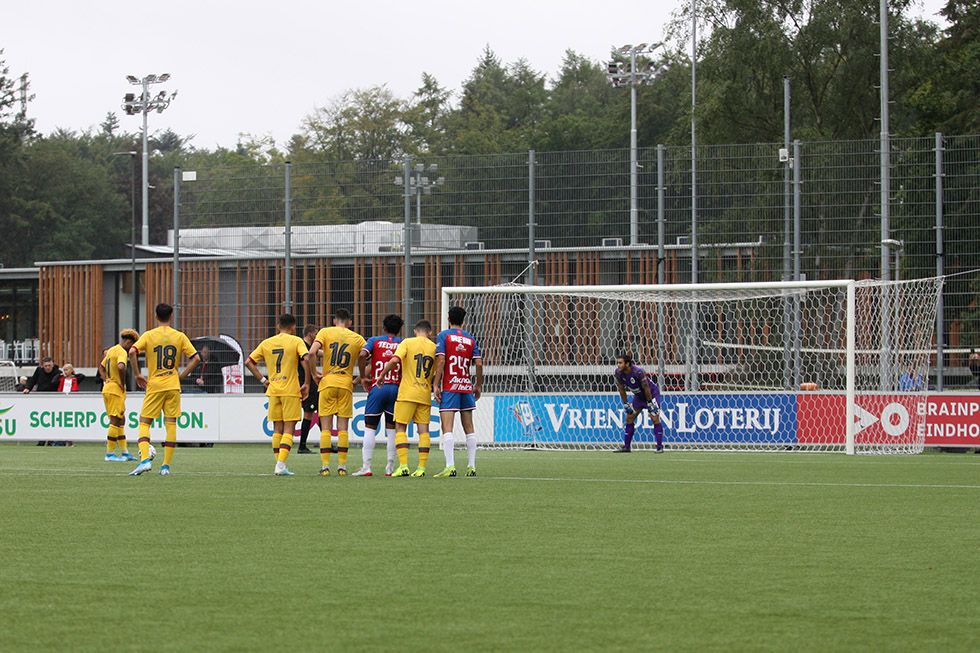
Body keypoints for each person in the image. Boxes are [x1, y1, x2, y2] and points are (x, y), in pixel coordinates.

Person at [127, 303, 200, 476]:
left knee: (144, 422)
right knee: (171, 423)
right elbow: (196, 358)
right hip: (173, 385)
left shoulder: (149, 335)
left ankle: (145, 460)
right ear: (171, 316)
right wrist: (181, 375)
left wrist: (137, 374)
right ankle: (165, 466)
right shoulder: (179, 336)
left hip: (155, 384)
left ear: (155, 316)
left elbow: (131, 352)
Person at [245, 313, 311, 476]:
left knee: (277, 429)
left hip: (274, 390)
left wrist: (263, 380)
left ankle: (280, 464)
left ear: (278, 326)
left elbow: (249, 362)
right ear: (293, 327)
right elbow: (307, 358)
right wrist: (307, 383)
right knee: (289, 428)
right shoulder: (296, 341)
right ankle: (280, 464)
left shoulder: (267, 343)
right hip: (290, 390)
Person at [307, 308, 366, 477]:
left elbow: (311, 352)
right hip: (346, 383)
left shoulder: (325, 332)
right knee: (343, 428)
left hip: (327, 382)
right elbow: (366, 358)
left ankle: (325, 467)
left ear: (334, 321)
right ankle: (342, 467)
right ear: (350, 323)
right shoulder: (357, 338)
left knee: (326, 427)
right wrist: (359, 379)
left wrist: (313, 373)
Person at [377, 319, 436, 477]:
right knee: (424, 431)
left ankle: (403, 466)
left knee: (400, 428)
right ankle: (421, 468)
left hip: (407, 392)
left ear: (415, 331)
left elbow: (395, 360)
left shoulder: (407, 342)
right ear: (430, 333)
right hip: (424, 393)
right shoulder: (434, 347)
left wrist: (382, 375)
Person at [431, 306, 483, 478]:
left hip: (450, 386)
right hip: (466, 386)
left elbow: (441, 361)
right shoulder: (470, 338)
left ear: (448, 319)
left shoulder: (443, 335)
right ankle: (472, 466)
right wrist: (478, 385)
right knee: (469, 427)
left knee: (447, 427)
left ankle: (450, 466)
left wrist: (436, 384)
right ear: (463, 321)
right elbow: (479, 363)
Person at [352, 314, 404, 477]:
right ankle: (390, 467)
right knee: (392, 430)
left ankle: (367, 466)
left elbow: (361, 356)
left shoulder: (374, 341)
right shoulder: (403, 344)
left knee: (370, 428)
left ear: (384, 328)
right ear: (399, 330)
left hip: (377, 387)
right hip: (396, 388)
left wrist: (363, 377)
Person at [99, 329, 140, 462]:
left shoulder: (112, 350)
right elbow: (121, 367)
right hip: (115, 390)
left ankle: (125, 452)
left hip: (108, 388)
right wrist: (121, 383)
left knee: (121, 420)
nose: (132, 349)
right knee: (115, 420)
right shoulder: (122, 352)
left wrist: (107, 380)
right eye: (132, 345)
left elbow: (101, 367)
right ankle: (109, 453)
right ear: (128, 342)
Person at [613, 353, 664, 453]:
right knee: (629, 418)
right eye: (617, 363)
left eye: (620, 363)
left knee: (654, 417)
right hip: (639, 396)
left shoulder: (638, 372)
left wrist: (650, 402)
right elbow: (621, 389)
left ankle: (659, 447)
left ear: (627, 364)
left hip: (651, 394)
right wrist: (626, 403)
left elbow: (646, 388)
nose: (618, 365)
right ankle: (626, 447)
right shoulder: (618, 373)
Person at [295, 324, 320, 454]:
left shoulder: (309, 347)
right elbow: (306, 364)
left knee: (321, 411)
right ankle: (302, 445)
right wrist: (314, 376)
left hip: (313, 383)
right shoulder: (303, 347)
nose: (317, 336)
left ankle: (326, 443)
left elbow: (319, 352)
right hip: (307, 383)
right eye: (316, 333)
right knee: (309, 413)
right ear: (310, 334)